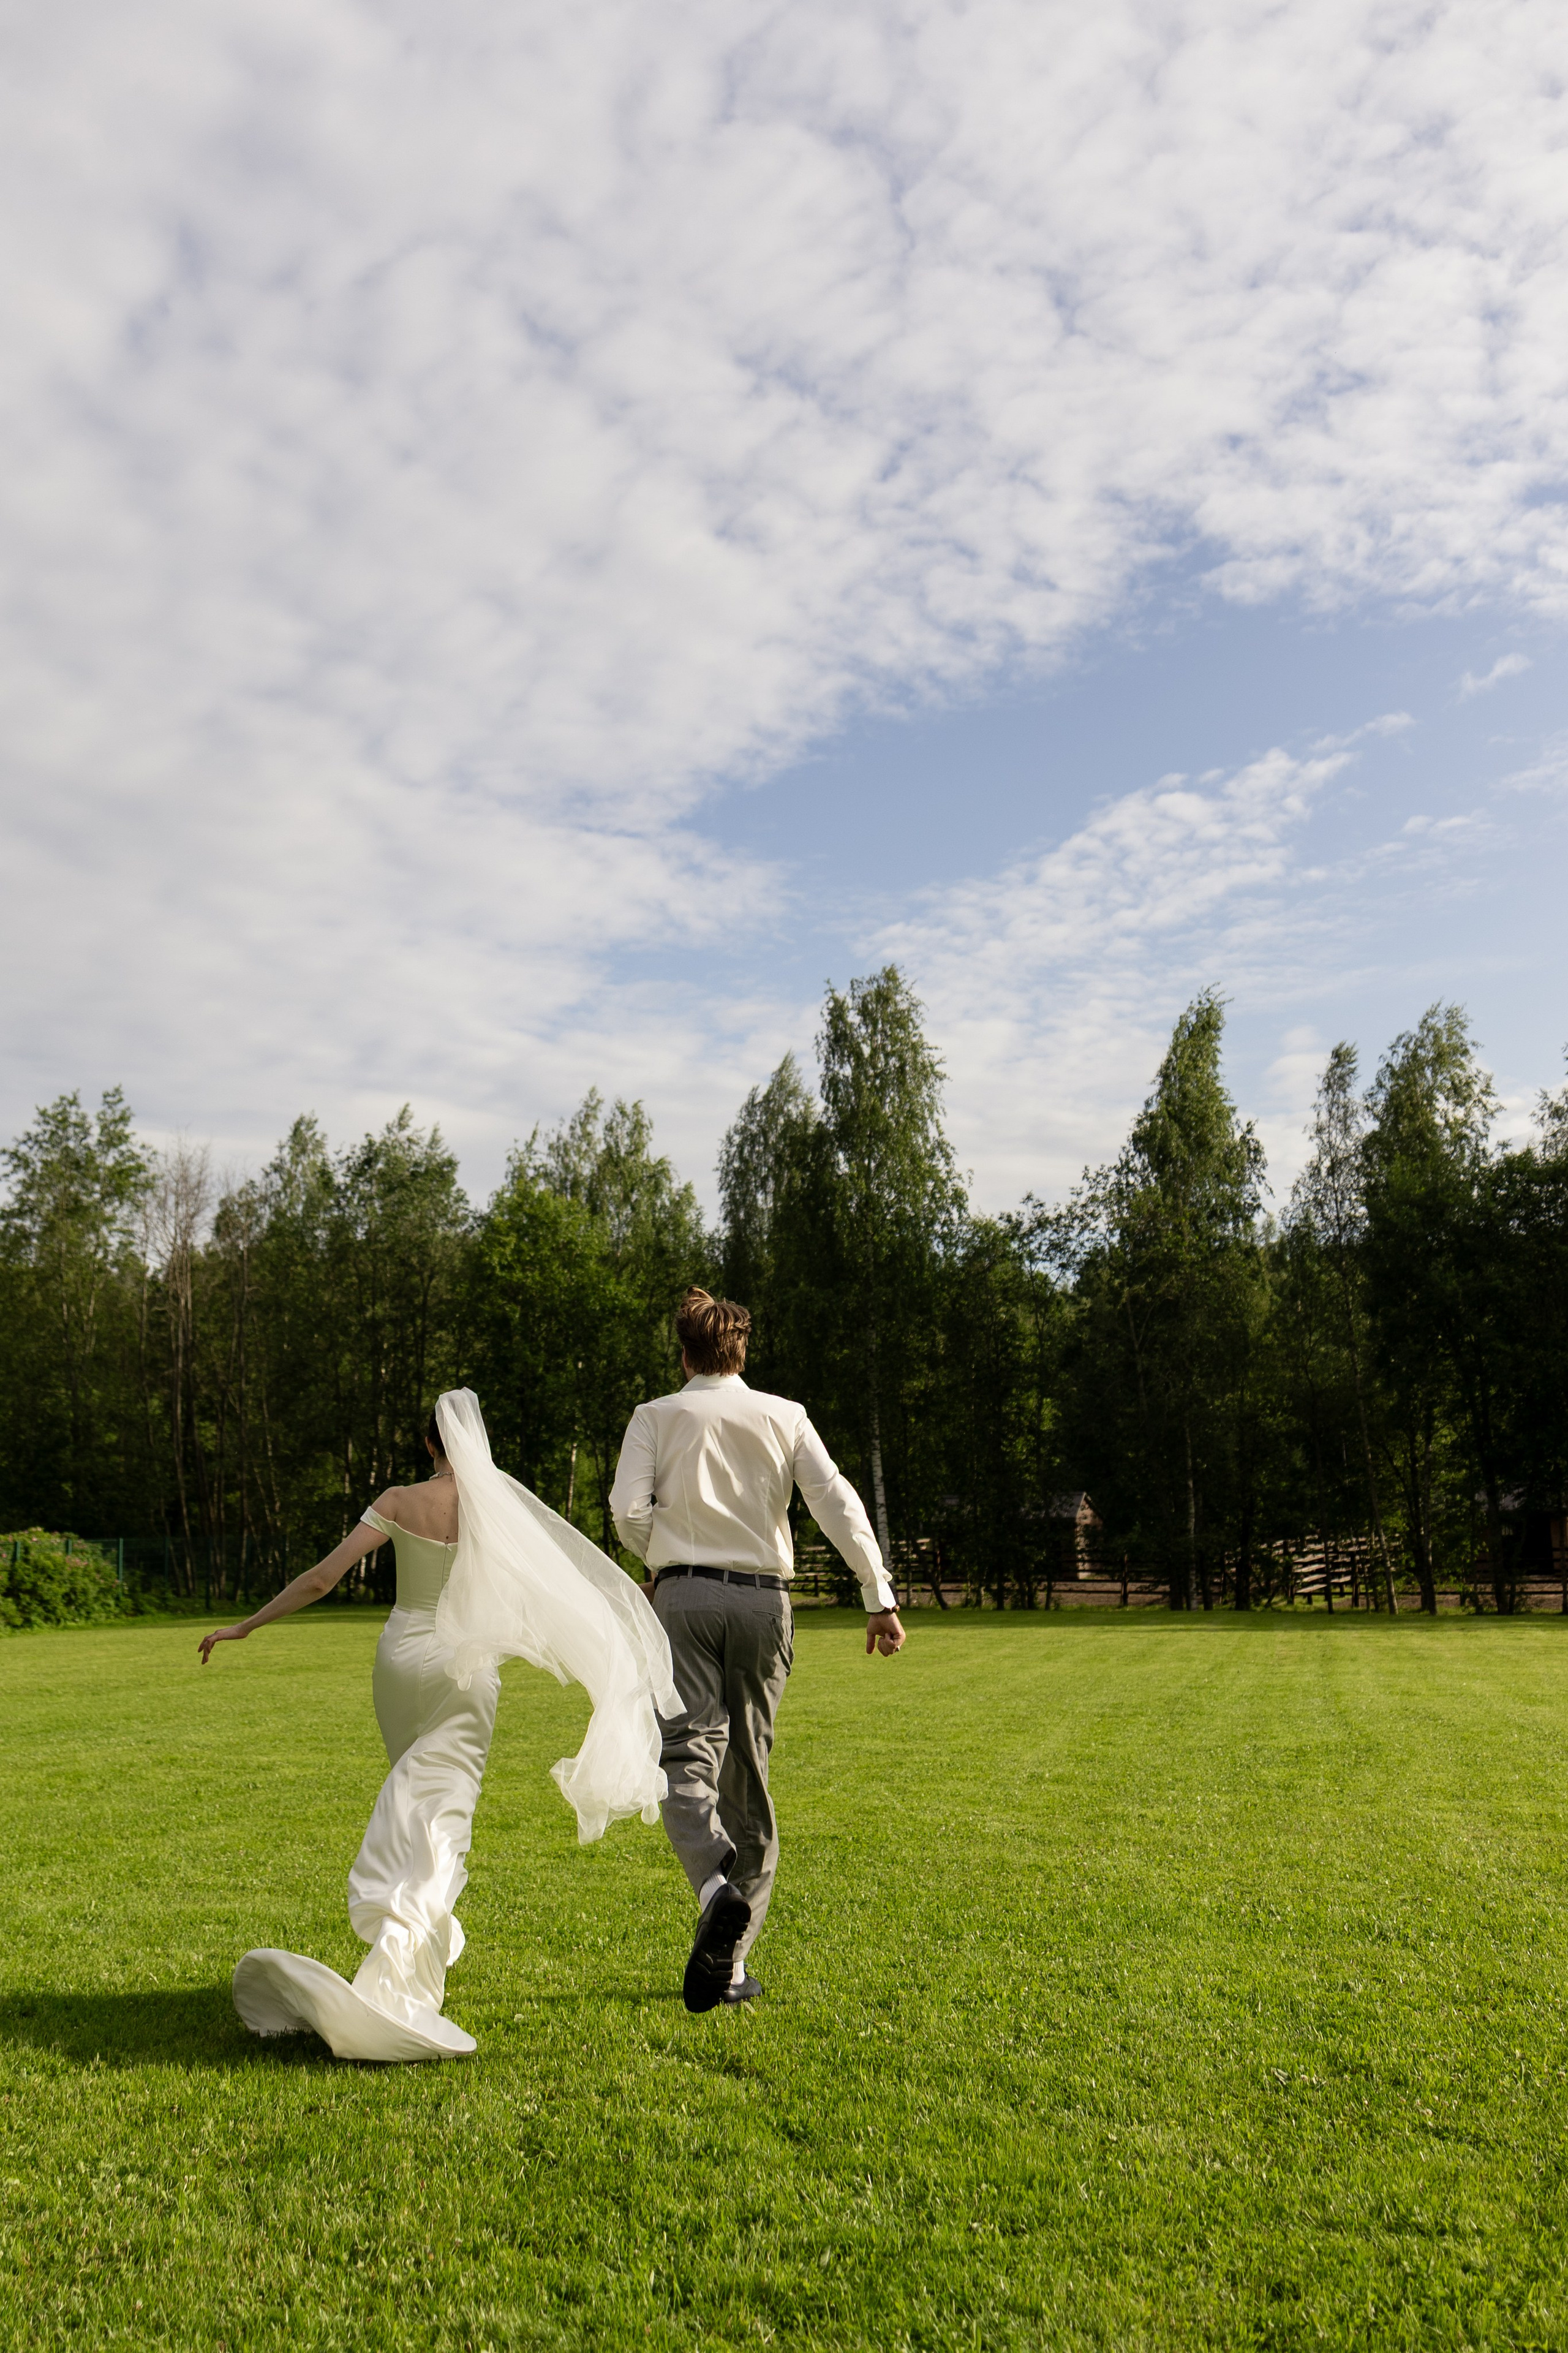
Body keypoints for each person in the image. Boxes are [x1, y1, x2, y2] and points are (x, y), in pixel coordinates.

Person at [199, 1387, 677, 2063]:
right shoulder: (497, 1507)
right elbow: (556, 1586)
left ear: (429, 1445)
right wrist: (630, 1603)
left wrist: (247, 1624)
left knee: (413, 1788)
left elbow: (322, 1578)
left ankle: (406, 1951)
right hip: (465, 1667)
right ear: (474, 1445)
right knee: (443, 1805)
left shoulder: (397, 1501)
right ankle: (403, 1954)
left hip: (400, 1660)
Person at [609, 1289, 905, 2014]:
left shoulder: (655, 1416)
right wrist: (877, 1593)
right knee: (749, 1773)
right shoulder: (784, 1415)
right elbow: (835, 1501)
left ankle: (715, 1888)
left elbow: (626, 1511)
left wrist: (663, 1563)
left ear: (684, 1354)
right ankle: (733, 1967)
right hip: (764, 1601)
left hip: (682, 1597)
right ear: (742, 1353)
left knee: (683, 1756)